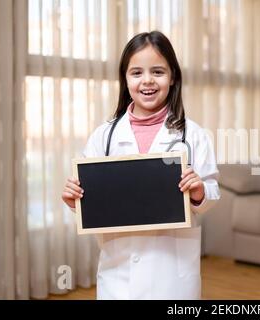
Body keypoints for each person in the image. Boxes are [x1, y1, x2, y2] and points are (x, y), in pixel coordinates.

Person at [61, 31, 220, 299]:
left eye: (158, 72)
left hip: (171, 273)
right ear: (125, 80)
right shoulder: (104, 136)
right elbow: (91, 201)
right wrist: (74, 199)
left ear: (173, 78)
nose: (147, 81)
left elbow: (212, 190)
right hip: (119, 271)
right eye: (136, 73)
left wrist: (199, 191)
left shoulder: (193, 135)